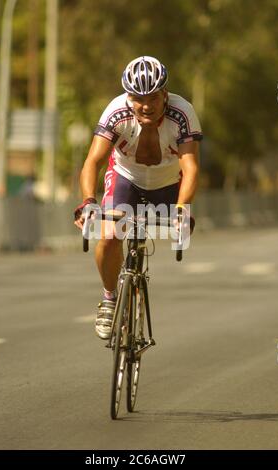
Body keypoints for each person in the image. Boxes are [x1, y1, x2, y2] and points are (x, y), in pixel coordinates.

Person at [74, 56, 203, 340]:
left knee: (165, 210)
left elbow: (190, 167)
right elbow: (93, 161)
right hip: (126, 179)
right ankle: (110, 298)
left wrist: (182, 208)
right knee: (108, 236)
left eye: (153, 98)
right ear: (128, 97)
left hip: (168, 182)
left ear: (165, 94)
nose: (146, 106)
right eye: (138, 98)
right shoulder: (116, 111)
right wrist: (88, 201)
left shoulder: (182, 113)